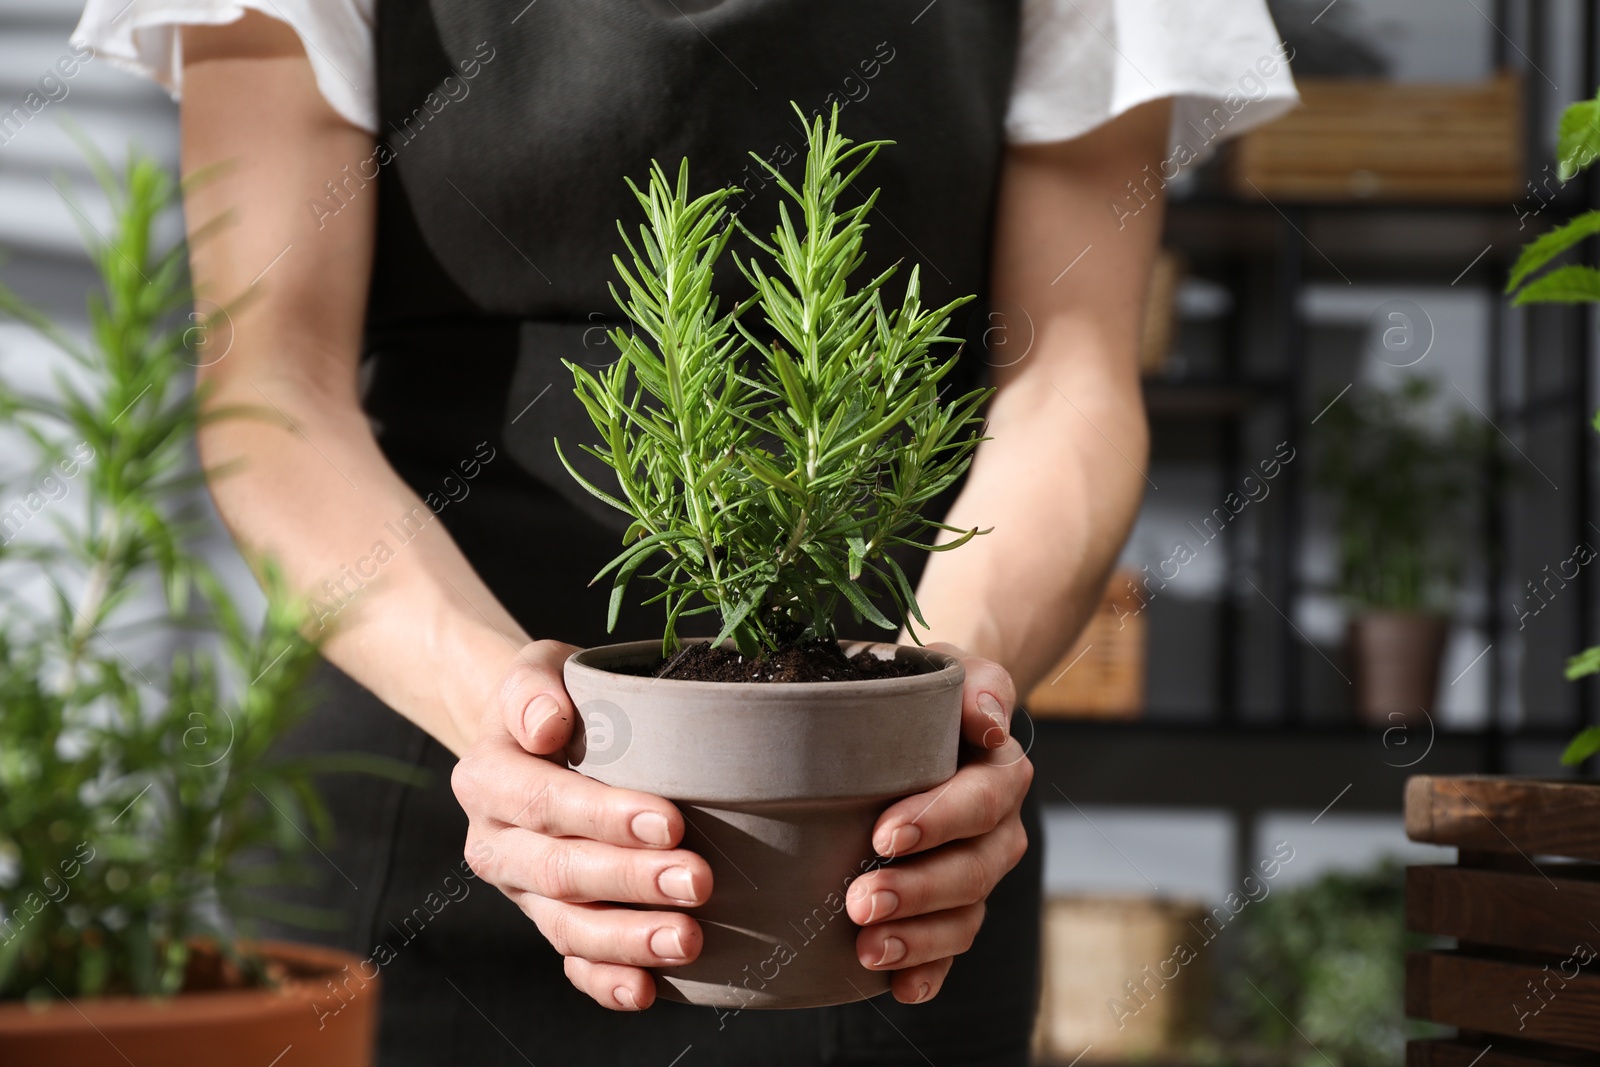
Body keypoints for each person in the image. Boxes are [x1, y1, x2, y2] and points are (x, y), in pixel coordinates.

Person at [73, 1, 1295, 1063]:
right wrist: (516, 739)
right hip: (416, 806)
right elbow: (271, 384)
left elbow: (1067, 379)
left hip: (866, 864)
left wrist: (924, 716)